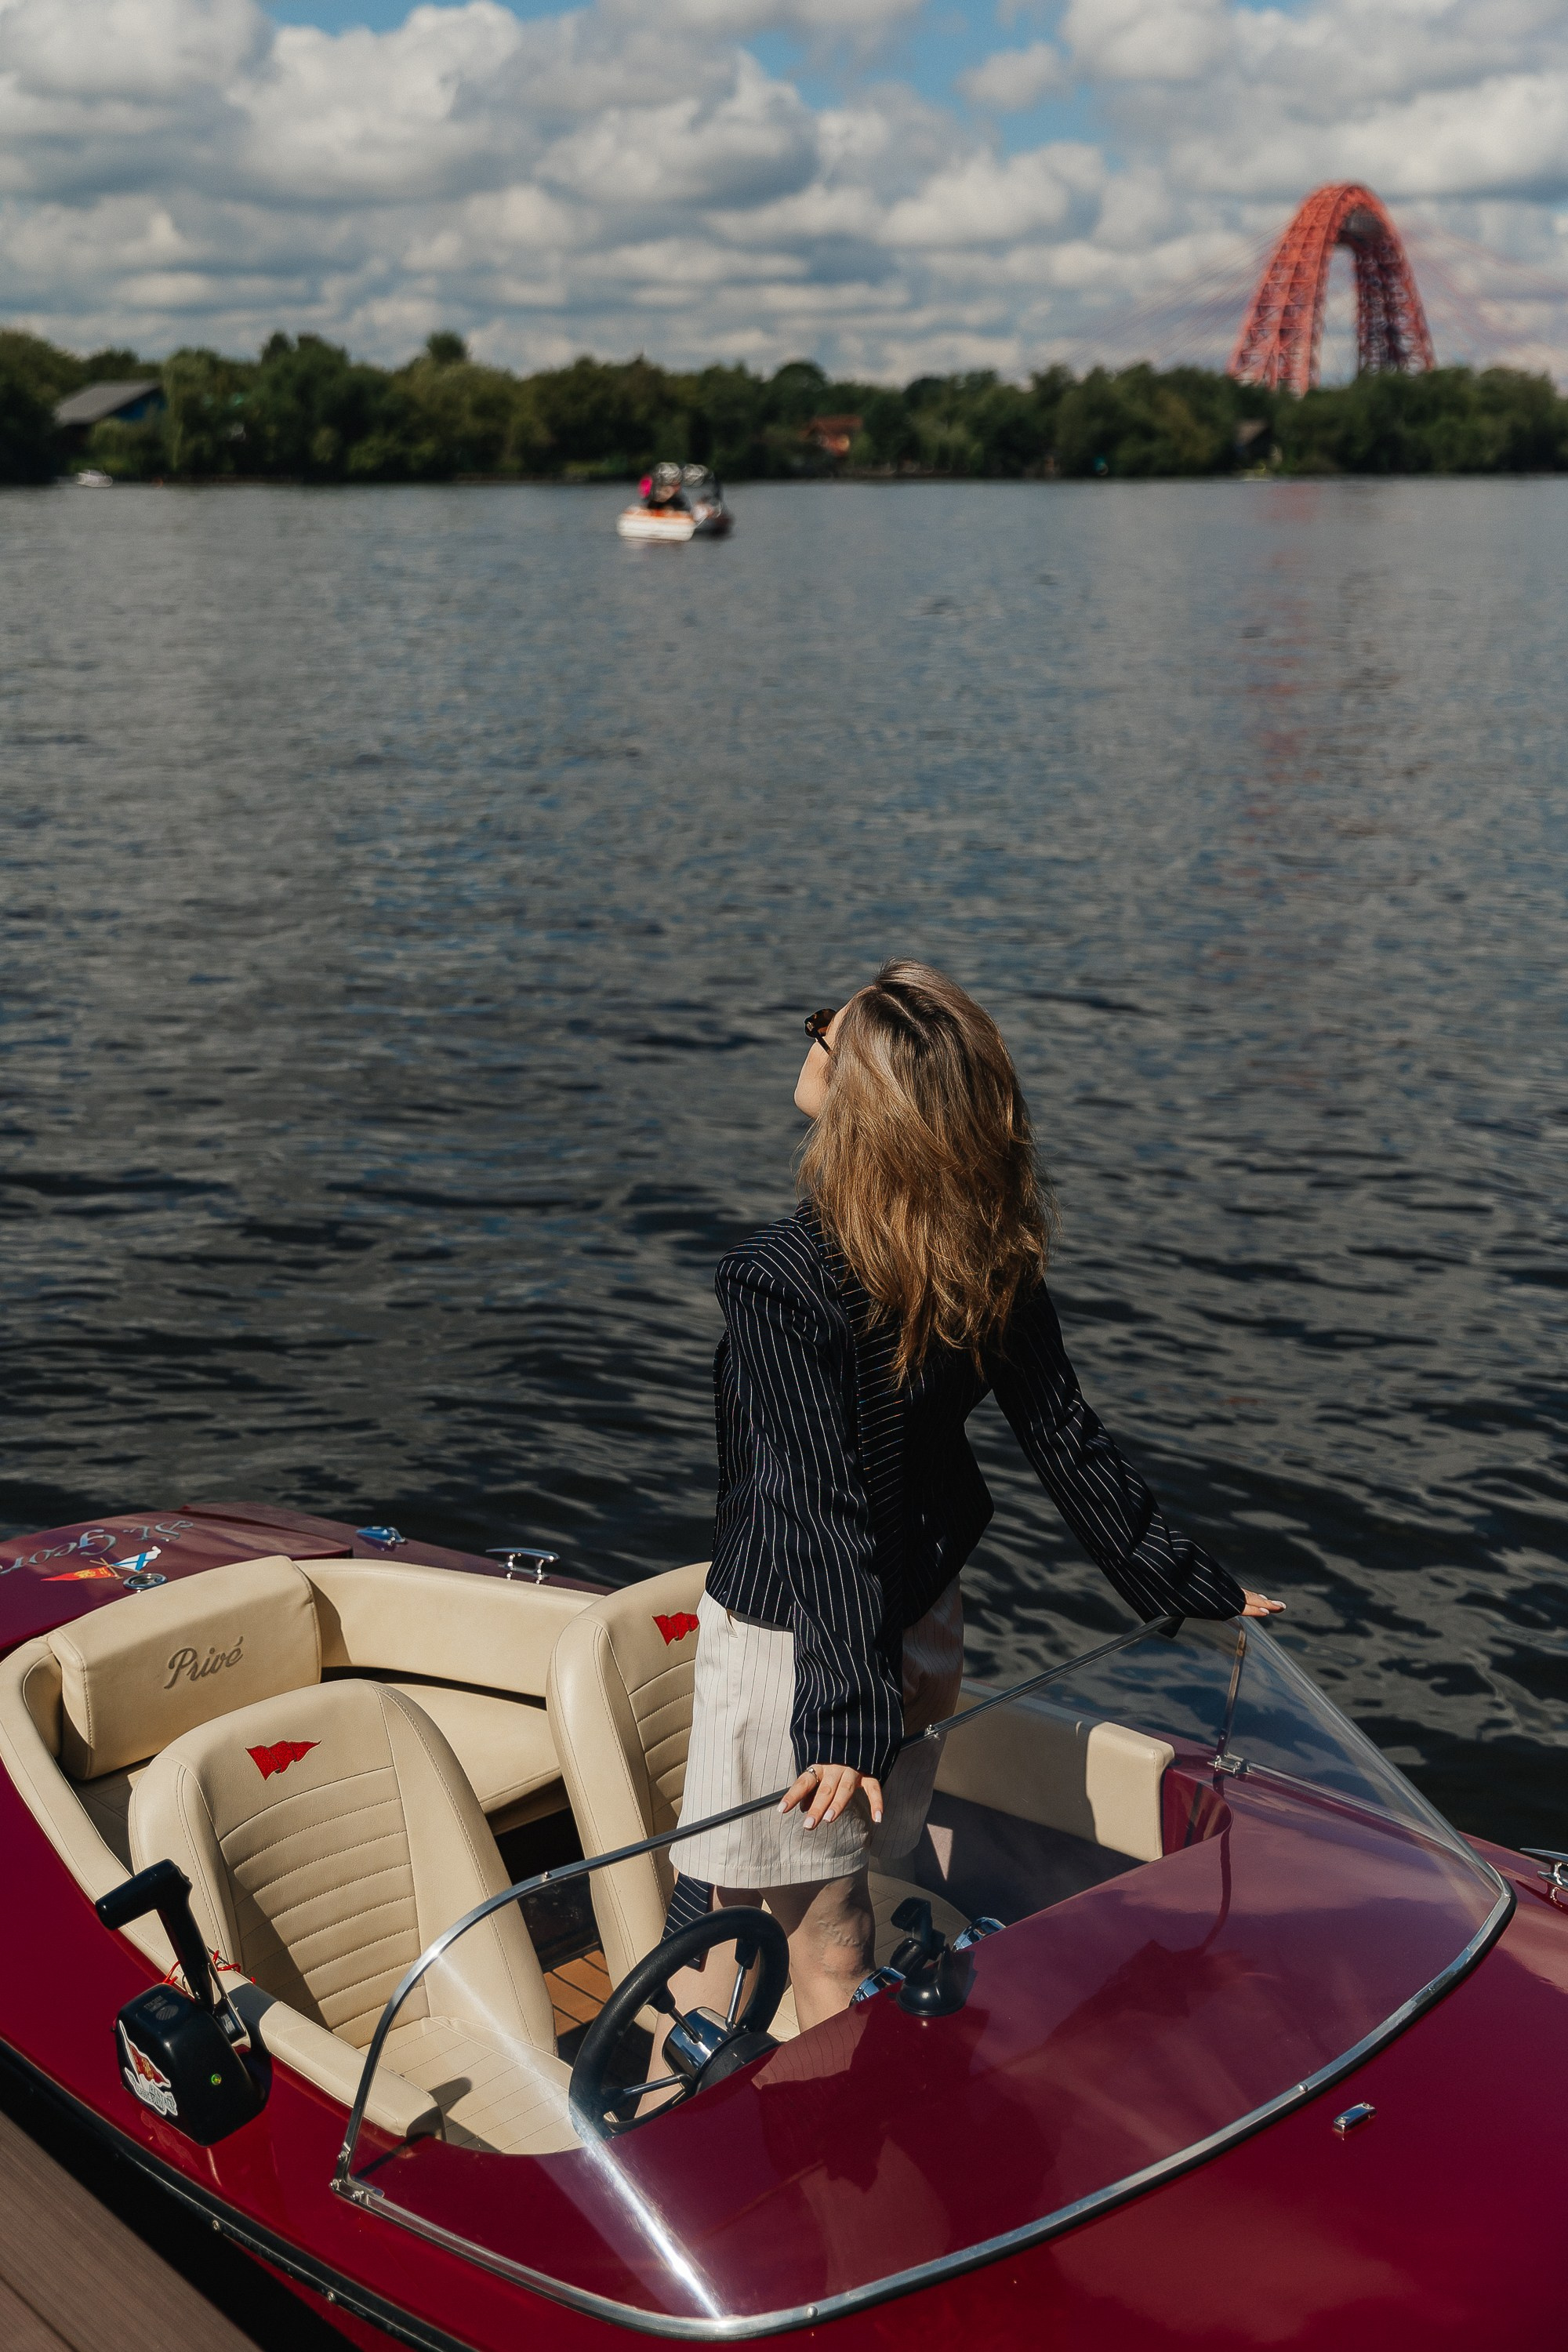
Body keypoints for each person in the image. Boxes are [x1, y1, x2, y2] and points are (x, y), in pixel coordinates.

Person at [666, 962, 1283, 2034]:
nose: (808, 1037)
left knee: (804, 1928)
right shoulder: (986, 1249)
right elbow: (1068, 1444)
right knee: (838, 1891)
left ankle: (787, 2148)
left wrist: (842, 1726)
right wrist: (1191, 1586)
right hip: (918, 1625)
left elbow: (819, 1517)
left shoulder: (778, 1275)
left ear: (863, 1102)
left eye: (826, 1029)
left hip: (801, 1652)